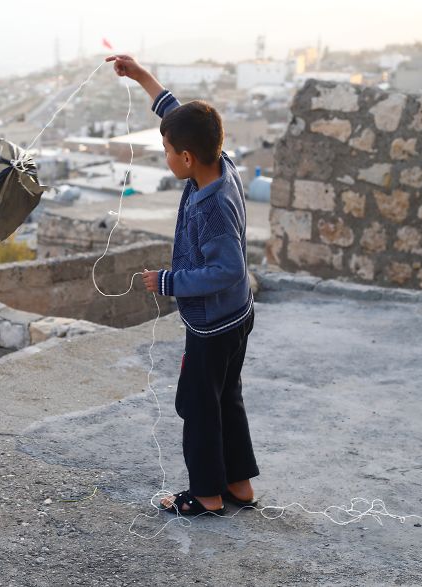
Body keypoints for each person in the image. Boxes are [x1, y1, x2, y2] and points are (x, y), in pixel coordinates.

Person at [107, 54, 259, 516]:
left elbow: (228, 269)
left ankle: (206, 495)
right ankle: (238, 485)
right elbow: (176, 114)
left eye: (167, 151)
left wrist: (168, 281)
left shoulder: (211, 207)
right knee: (225, 398)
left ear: (187, 157)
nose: (166, 156)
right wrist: (141, 77)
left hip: (213, 325)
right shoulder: (221, 163)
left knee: (196, 405)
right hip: (236, 317)